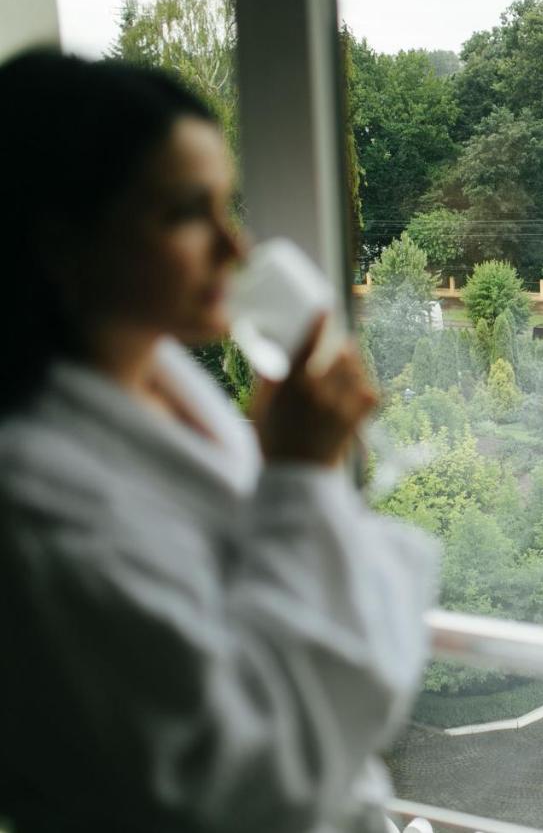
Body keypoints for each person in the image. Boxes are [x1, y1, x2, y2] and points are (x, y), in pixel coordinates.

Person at [0, 51, 437, 832]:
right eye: (185, 213)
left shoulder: (162, 375)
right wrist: (302, 474)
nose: (235, 250)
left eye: (226, 206)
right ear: (62, 240)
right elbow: (249, 783)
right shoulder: (32, 506)